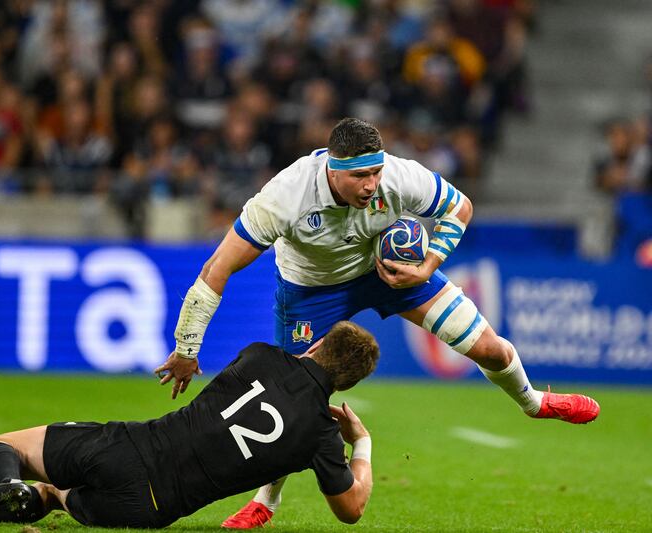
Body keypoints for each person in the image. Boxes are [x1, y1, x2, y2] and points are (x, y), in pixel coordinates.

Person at [153, 117, 601, 529]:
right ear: (332, 169)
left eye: (375, 174)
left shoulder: (400, 175)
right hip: (311, 291)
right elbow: (217, 268)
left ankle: (534, 403)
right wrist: (187, 348)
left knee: (492, 350)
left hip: (389, 274)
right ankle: (266, 501)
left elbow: (460, 207)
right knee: (293, 403)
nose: (371, 186)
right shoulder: (283, 197)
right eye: (360, 177)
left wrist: (428, 265)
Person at [0, 321, 379, 529]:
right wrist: (362, 443)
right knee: (54, 495)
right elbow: (351, 509)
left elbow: (270, 391)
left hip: (131, 448)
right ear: (347, 386)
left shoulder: (261, 356)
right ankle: (23, 497)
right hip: (149, 508)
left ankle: (3, 484)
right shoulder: (317, 437)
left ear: (315, 346)